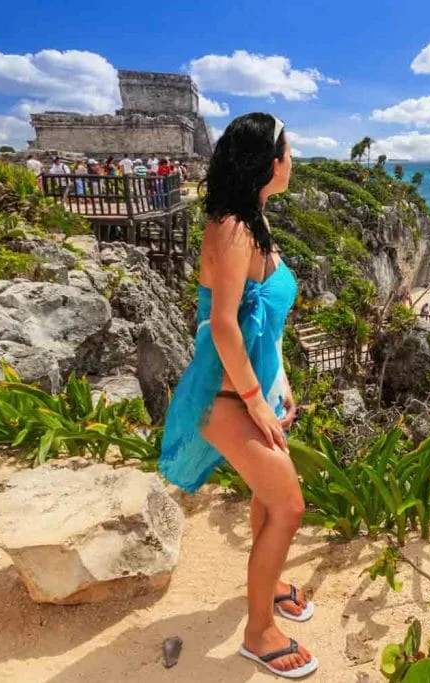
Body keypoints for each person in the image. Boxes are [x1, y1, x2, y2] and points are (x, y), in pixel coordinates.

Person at [158, 113, 317, 678]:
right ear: (270, 162)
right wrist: (253, 399)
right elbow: (223, 325)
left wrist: (280, 385)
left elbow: (263, 326)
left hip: (255, 389)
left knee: (266, 496)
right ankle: (258, 632)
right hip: (225, 396)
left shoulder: (256, 220)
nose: (293, 160)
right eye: (290, 150)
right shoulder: (230, 227)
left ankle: (269, 584)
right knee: (288, 505)